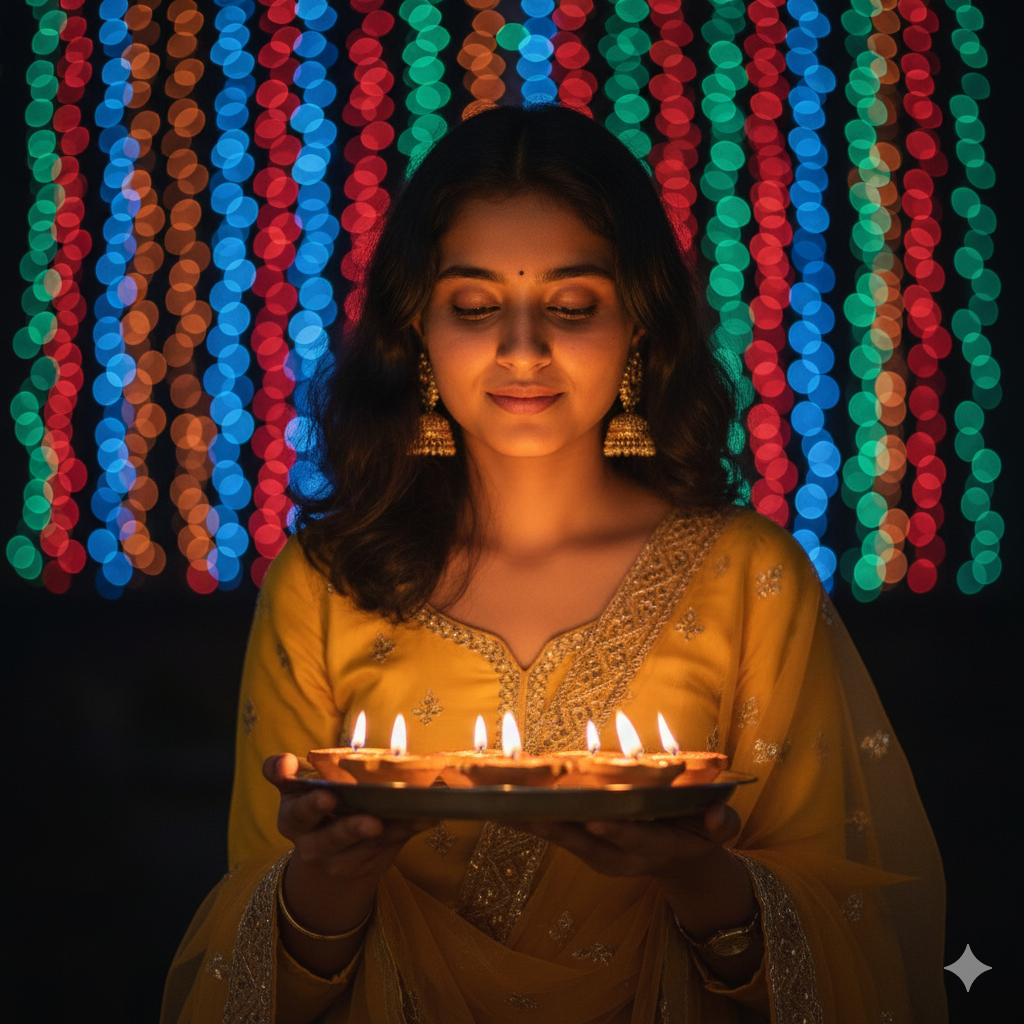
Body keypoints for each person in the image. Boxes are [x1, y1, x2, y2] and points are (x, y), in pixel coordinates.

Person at [161, 105, 946, 1024]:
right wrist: (329, 881)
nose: (523, 351)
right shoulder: (329, 581)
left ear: (639, 325)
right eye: (475, 307)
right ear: (416, 327)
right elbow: (256, 973)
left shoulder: (748, 577)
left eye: (573, 308)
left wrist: (699, 878)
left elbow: (846, 939)